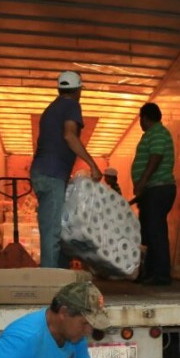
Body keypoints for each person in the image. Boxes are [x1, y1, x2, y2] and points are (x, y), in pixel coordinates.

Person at [31, 70, 103, 269]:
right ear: (78, 90)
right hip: (51, 173)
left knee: (60, 228)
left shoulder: (52, 108)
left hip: (46, 172)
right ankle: (50, 284)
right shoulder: (72, 105)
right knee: (53, 230)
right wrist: (93, 165)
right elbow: (70, 136)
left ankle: (59, 275)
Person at [131, 103, 176, 285]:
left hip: (158, 188)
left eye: (140, 119)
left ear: (144, 118)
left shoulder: (158, 132)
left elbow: (155, 157)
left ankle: (161, 275)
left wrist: (142, 181)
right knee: (148, 233)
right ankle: (149, 273)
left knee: (156, 232)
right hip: (152, 190)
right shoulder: (152, 134)